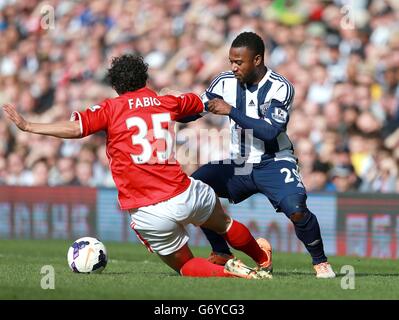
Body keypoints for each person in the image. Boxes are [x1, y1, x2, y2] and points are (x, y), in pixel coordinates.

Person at [2, 54, 272, 279]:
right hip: (184, 192)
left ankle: (232, 273)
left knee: (185, 265)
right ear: (144, 78)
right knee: (224, 223)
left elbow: (75, 129)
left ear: (117, 86)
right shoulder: (166, 102)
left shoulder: (111, 108)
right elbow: (204, 103)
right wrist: (174, 95)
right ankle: (262, 259)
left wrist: (29, 126)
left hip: (147, 210)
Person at [190, 32, 336, 278]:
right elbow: (194, 110)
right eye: (231, 62)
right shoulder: (223, 82)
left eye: (239, 62)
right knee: (194, 188)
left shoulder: (280, 87)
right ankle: (221, 251)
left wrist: (231, 111)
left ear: (257, 60)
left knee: (297, 209)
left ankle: (320, 262)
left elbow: (269, 131)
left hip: (273, 161)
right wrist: (163, 108)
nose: (234, 67)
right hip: (239, 164)